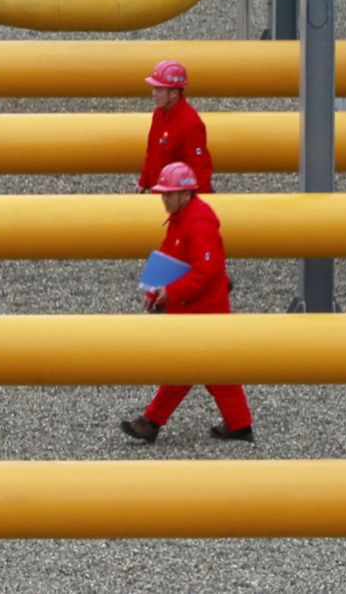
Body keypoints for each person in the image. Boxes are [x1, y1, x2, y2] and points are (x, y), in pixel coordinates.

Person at [120, 162, 255, 443]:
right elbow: (169, 256)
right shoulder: (184, 217)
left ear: (185, 193)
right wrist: (153, 292)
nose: (164, 199)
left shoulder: (199, 222)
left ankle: (152, 422)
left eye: (168, 194)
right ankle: (239, 425)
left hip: (203, 310)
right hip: (196, 308)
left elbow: (206, 271)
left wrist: (169, 293)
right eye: (162, 193)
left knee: (186, 367)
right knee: (210, 369)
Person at [138, 60, 214, 195]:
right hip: (162, 195)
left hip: (177, 200)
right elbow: (152, 152)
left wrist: (196, 205)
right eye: (154, 89)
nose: (154, 94)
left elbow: (200, 169)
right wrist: (143, 182)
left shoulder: (190, 123)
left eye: (159, 89)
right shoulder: (159, 114)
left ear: (174, 94)